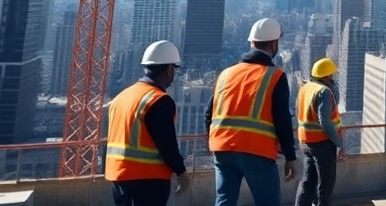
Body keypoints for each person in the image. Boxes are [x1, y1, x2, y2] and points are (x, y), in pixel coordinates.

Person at [208, 17, 299, 206]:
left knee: (224, 201)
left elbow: (209, 113)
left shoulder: (226, 73)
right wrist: (290, 156)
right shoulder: (275, 76)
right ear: (274, 44)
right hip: (257, 150)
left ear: (251, 42)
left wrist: (214, 143)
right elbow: (282, 120)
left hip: (222, 147)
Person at [105, 40, 191, 206]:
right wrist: (181, 172)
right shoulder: (158, 100)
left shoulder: (123, 96)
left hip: (118, 175)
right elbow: (167, 144)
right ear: (169, 69)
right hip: (147, 179)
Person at [296, 57, 344, 206]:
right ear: (327, 76)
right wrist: (339, 143)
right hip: (323, 144)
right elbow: (325, 122)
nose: (332, 79)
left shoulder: (305, 88)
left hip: (306, 143)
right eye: (331, 75)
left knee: (307, 182)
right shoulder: (324, 92)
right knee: (325, 186)